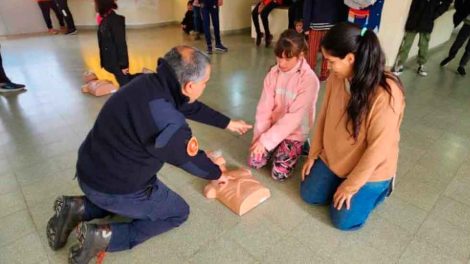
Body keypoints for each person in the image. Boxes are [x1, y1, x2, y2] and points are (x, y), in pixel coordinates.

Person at [45, 45, 252, 263]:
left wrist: (227, 123)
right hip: (115, 185)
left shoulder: (148, 83)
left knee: (130, 195)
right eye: (205, 82)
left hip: (91, 168)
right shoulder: (167, 119)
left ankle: (79, 207)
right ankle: (102, 238)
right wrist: (217, 174)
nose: (205, 86)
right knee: (178, 212)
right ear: (190, 85)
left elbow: (189, 106)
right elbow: (188, 158)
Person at [300, 23, 405, 231]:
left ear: (350, 58)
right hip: (337, 156)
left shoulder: (387, 94)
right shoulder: (337, 78)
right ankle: (339, 180)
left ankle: (382, 188)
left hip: (372, 168)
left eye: (331, 61)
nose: (327, 67)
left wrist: (351, 186)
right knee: (309, 194)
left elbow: (378, 149)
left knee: (343, 220)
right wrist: (314, 154)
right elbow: (324, 116)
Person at [249, 29, 320, 181]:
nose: (281, 63)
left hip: (295, 130)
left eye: (287, 59)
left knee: (278, 174)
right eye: (278, 58)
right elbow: (263, 109)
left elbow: (294, 119)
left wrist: (266, 141)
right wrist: (259, 138)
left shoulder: (309, 80)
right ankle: (277, 144)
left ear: (300, 55)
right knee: (255, 162)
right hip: (273, 126)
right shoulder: (273, 74)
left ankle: (300, 145)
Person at [392, 0, 452, 77]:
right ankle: (399, 64)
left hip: (427, 20)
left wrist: (435, 14)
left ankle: (421, 65)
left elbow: (446, 3)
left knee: (423, 45)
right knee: (407, 43)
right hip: (415, 18)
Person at [303, 0, 348, 81]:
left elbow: (342, 5)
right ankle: (317, 74)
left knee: (315, 51)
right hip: (325, 24)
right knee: (315, 52)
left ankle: (319, 74)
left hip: (327, 24)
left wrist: (306, 25)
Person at [96, 0, 131, 86]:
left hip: (117, 62)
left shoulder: (115, 21)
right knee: (124, 83)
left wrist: (124, 65)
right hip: (111, 61)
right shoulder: (105, 18)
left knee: (125, 84)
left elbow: (121, 44)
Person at [440, 0, 470, 76]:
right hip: (467, 24)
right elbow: (461, 5)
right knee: (458, 42)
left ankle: (462, 66)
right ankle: (450, 57)